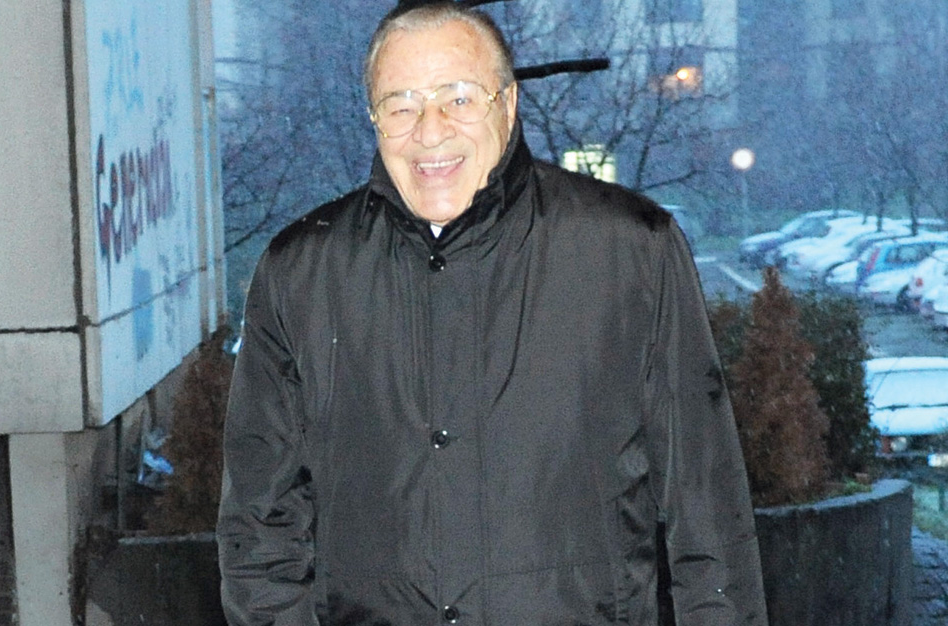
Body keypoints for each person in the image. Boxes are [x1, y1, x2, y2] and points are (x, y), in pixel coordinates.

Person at [217, 3, 768, 625]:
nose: (430, 131)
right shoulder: (301, 273)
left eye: (458, 98)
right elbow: (259, 529)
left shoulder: (629, 251)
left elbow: (706, 506)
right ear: (374, 120)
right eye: (401, 106)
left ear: (508, 104)